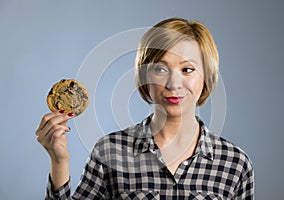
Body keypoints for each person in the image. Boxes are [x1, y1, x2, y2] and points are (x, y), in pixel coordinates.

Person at [36, 17, 254, 199]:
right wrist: (59, 161)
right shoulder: (109, 152)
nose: (173, 84)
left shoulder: (235, 163)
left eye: (187, 69)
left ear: (206, 77)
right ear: (144, 77)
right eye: (160, 69)